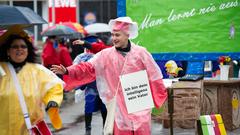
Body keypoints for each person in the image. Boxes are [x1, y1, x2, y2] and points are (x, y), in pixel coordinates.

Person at [51, 16, 167, 134]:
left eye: (117, 35)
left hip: (139, 102)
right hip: (119, 106)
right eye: (113, 35)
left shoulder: (141, 53)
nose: (114, 38)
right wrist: (68, 71)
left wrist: (160, 93)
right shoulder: (105, 55)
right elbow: (88, 67)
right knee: (122, 131)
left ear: (127, 35)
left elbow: (153, 74)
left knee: (141, 130)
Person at [0, 29, 64, 135]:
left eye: (23, 46)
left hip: (30, 130)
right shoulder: (1, 70)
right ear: (7, 50)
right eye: (15, 46)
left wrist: (52, 101)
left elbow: (54, 86)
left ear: (28, 50)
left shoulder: (38, 71)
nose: (19, 49)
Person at [74, 52, 107, 135]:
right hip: (94, 87)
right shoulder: (84, 57)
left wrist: (80, 87)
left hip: (100, 86)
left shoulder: (102, 56)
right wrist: (80, 87)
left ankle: (104, 128)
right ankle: (89, 129)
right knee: (93, 107)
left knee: (103, 108)